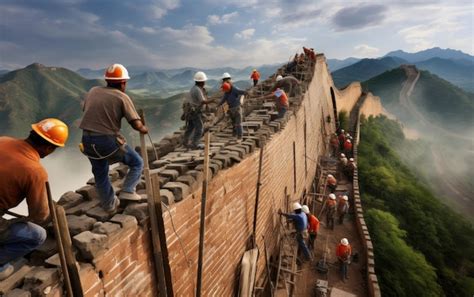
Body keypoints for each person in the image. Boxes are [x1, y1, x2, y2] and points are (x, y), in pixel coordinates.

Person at [0, 118, 69, 280]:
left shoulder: (3, 140)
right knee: (36, 235)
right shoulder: (35, 171)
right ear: (49, 148)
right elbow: (39, 215)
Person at [79, 63, 148, 212]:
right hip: (107, 140)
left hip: (87, 140)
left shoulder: (93, 91)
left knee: (100, 172)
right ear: (123, 83)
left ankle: (109, 205)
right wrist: (144, 128)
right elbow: (136, 124)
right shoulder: (122, 97)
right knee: (137, 162)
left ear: (107, 80)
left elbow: (86, 108)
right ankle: (128, 190)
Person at [182, 71, 213, 149]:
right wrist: (212, 100)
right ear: (201, 82)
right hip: (195, 112)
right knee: (199, 128)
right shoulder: (197, 90)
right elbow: (202, 101)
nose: (205, 82)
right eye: (204, 81)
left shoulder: (194, 88)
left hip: (191, 111)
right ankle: (195, 144)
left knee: (190, 127)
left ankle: (185, 142)